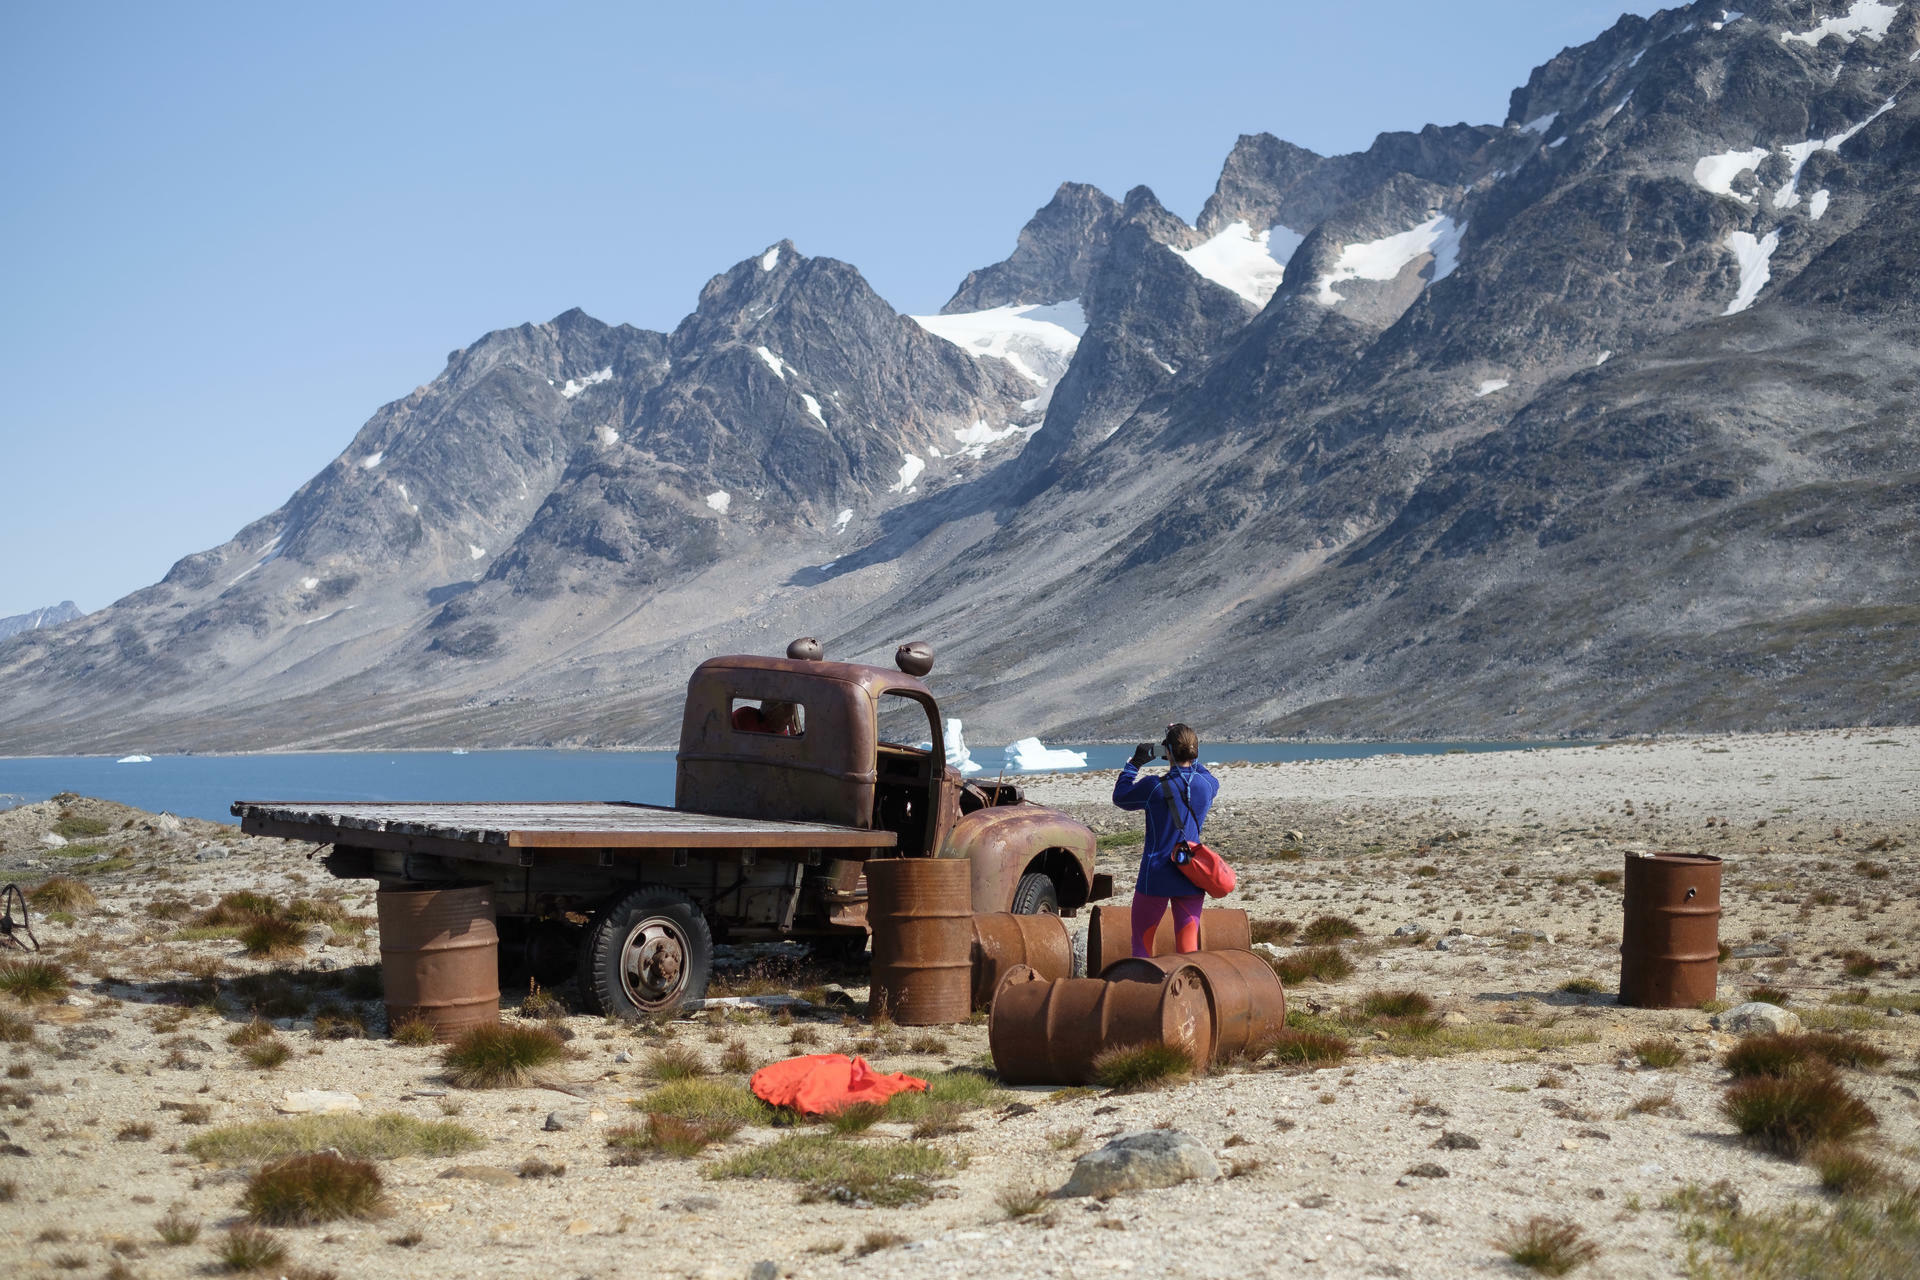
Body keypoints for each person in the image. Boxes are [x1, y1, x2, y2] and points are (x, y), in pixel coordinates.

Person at [1111, 723, 1218, 957]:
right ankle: (1189, 990)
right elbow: (1203, 773)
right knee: (1189, 948)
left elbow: (1120, 797)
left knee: (1141, 945)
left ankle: (1143, 991)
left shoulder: (1154, 787)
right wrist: (1184, 744)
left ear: (1167, 751)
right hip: (1191, 874)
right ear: (1194, 751)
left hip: (1156, 875)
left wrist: (1134, 764)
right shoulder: (1207, 786)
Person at [733, 699, 801, 736]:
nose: (789, 722)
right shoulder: (743, 716)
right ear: (771, 715)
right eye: (786, 718)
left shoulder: (781, 733)